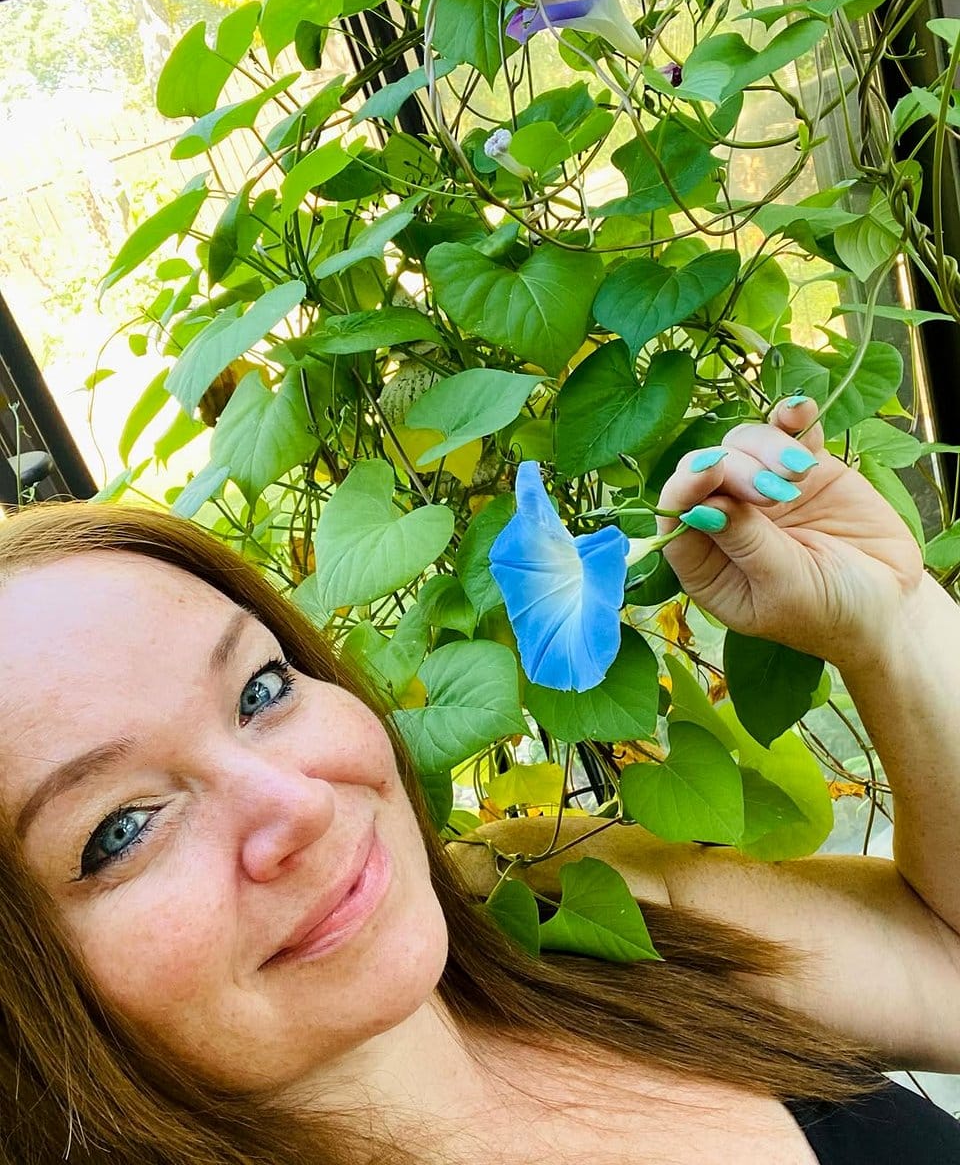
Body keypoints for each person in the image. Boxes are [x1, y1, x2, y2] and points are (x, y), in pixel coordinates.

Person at [0, 396, 957, 1165]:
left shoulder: (556, 906)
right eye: (120, 828)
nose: (302, 803)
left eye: (259, 689)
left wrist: (896, 622)